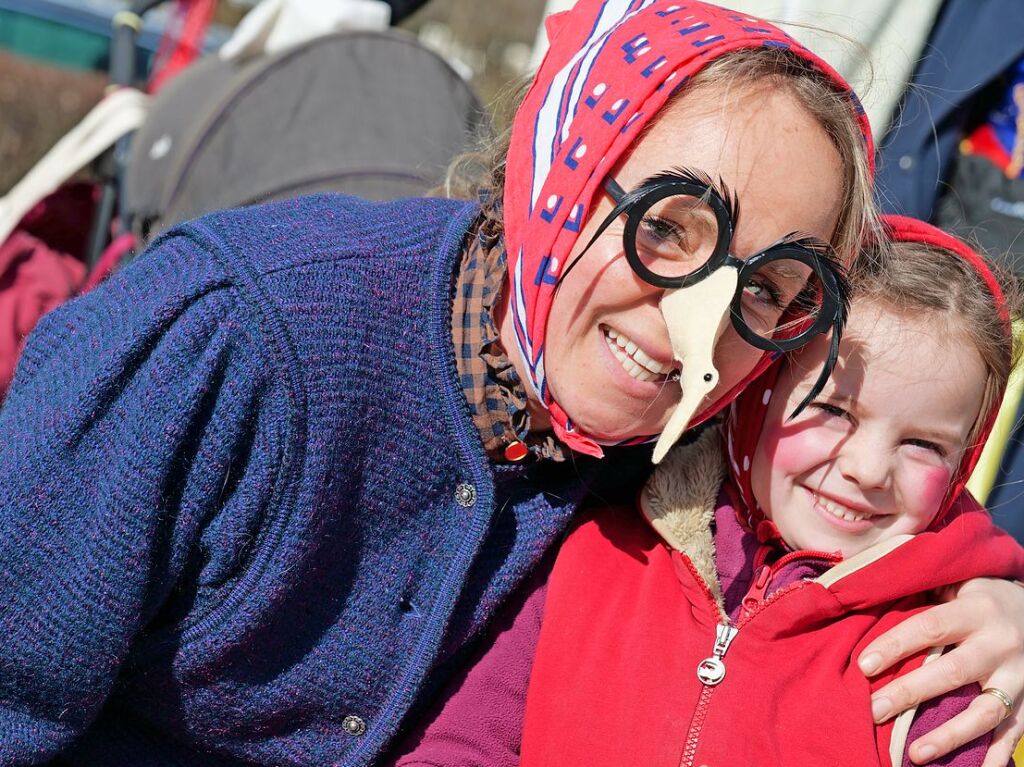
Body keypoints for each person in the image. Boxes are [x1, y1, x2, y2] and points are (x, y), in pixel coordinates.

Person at [0, 2, 1021, 764]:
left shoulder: (666, 462)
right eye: (666, 227)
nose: (692, 324)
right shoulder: (233, 333)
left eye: (768, 287)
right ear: (561, 168)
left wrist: (998, 605)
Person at [394, 218, 1023, 766]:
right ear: (755, 394)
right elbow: (463, 747)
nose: (867, 468)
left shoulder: (945, 659)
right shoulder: (593, 552)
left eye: (924, 446)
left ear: (964, 461)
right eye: (832, 409)